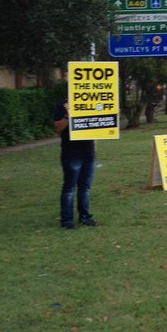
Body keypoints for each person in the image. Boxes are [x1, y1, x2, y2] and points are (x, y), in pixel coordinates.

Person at [53, 91, 96, 229]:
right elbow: (58, 128)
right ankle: (67, 221)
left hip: (88, 152)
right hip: (71, 152)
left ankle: (85, 217)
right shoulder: (63, 104)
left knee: (85, 187)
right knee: (70, 188)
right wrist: (67, 115)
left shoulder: (92, 101)